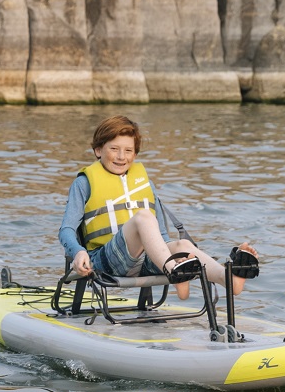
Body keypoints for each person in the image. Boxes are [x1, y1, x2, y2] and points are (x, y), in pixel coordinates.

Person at [58, 115, 255, 301]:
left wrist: (177, 254)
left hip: (147, 261)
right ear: (98, 150)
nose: (121, 156)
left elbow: (162, 236)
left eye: (128, 151)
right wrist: (78, 252)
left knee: (182, 245)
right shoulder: (84, 184)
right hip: (105, 262)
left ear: (135, 154)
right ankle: (175, 272)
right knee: (144, 217)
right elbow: (66, 230)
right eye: (114, 149)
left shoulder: (146, 184)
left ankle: (228, 278)